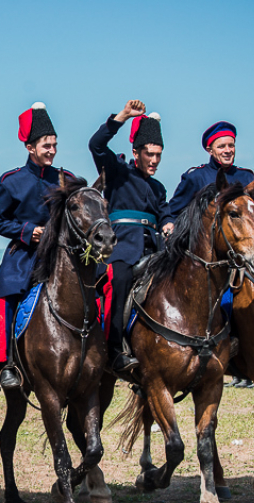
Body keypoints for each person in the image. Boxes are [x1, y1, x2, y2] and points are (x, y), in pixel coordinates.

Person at [0, 102, 72, 389]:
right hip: (23, 255)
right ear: (30, 147)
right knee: (4, 298)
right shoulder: (11, 182)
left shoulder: (66, 180)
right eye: (46, 145)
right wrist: (27, 231)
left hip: (60, 255)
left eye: (54, 145)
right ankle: (5, 364)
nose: (52, 150)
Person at [89, 99, 174, 374]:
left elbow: (165, 213)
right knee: (120, 278)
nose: (155, 160)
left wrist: (169, 224)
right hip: (122, 249)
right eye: (150, 154)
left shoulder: (159, 187)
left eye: (159, 155)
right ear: (136, 152)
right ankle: (113, 349)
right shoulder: (117, 172)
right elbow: (96, 145)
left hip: (155, 252)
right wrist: (122, 116)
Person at [168, 121, 254, 217]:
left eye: (231, 146)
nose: (228, 150)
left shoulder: (248, 177)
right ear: (210, 150)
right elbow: (173, 213)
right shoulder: (196, 177)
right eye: (221, 147)